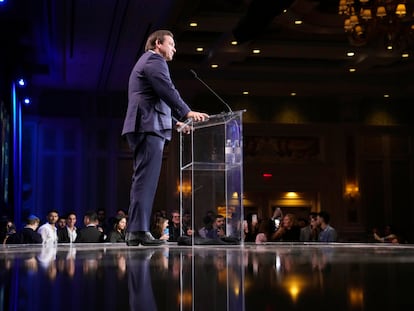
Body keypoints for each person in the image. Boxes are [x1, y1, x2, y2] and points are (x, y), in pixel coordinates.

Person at [121, 29, 209, 246]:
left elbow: (152, 99)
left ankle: (136, 231)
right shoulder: (155, 60)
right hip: (148, 128)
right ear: (158, 43)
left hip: (148, 125)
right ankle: (137, 231)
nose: (174, 49)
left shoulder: (146, 62)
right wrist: (186, 112)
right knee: (145, 181)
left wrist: (174, 122)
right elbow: (167, 90)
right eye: (171, 44)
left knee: (144, 180)